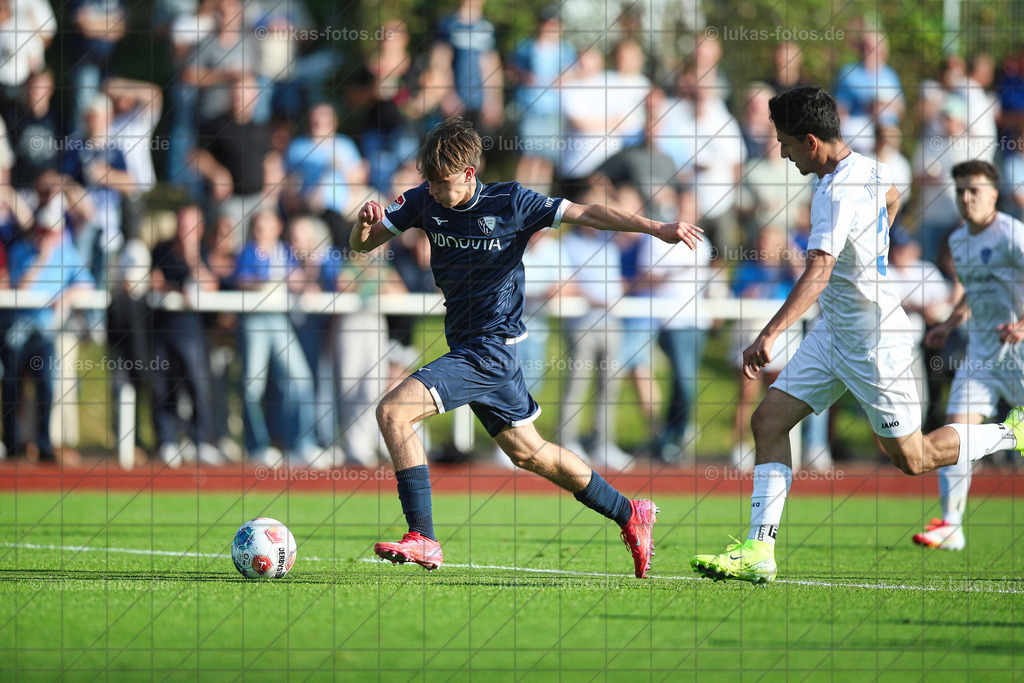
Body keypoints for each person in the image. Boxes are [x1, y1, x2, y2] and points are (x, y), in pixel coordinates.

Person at [690, 87, 1024, 586]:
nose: (782, 152)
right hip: (834, 334)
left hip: (873, 343)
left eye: (785, 143)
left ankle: (1012, 432)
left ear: (810, 140)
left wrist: (770, 332)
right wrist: (873, 250)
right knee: (769, 420)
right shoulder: (868, 166)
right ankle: (761, 549)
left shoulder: (834, 190)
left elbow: (820, 270)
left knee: (914, 458)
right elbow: (892, 197)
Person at [351, 116, 703, 577]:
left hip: (490, 350)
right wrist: (362, 225)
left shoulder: (512, 201)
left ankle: (424, 538)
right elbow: (362, 246)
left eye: (443, 183)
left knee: (393, 411)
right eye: (429, 182)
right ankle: (629, 513)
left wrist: (657, 228)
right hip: (474, 347)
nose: (434, 191)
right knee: (530, 453)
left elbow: (588, 213)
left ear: (470, 173)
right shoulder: (422, 200)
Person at [912, 160, 1024, 550]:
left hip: (1020, 353)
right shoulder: (959, 240)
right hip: (980, 354)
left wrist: (1022, 324)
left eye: (974, 190)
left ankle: (1012, 436)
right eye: (960, 191)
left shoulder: (1013, 236)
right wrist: (948, 323)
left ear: (994, 194)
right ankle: (951, 524)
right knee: (959, 432)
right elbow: (974, 294)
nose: (966, 198)